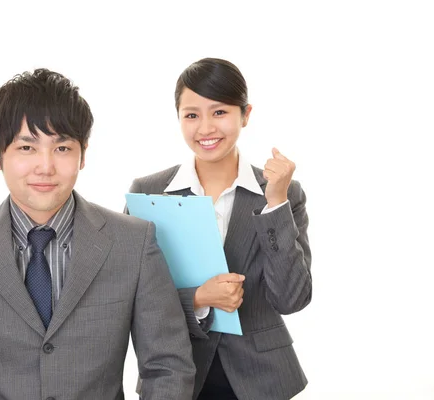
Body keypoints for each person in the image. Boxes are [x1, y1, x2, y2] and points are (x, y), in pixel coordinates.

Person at [0, 68, 195, 400]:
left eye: (62, 148)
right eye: (26, 148)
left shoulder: (133, 243)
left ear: (82, 153)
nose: (45, 166)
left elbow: (168, 369)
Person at [127, 58, 312, 400]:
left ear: (245, 114)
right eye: (192, 115)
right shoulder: (147, 194)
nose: (205, 128)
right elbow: (128, 296)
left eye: (220, 112)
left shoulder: (284, 192)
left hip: (262, 380)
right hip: (173, 373)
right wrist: (197, 299)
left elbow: (292, 299)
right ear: (179, 118)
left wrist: (275, 204)